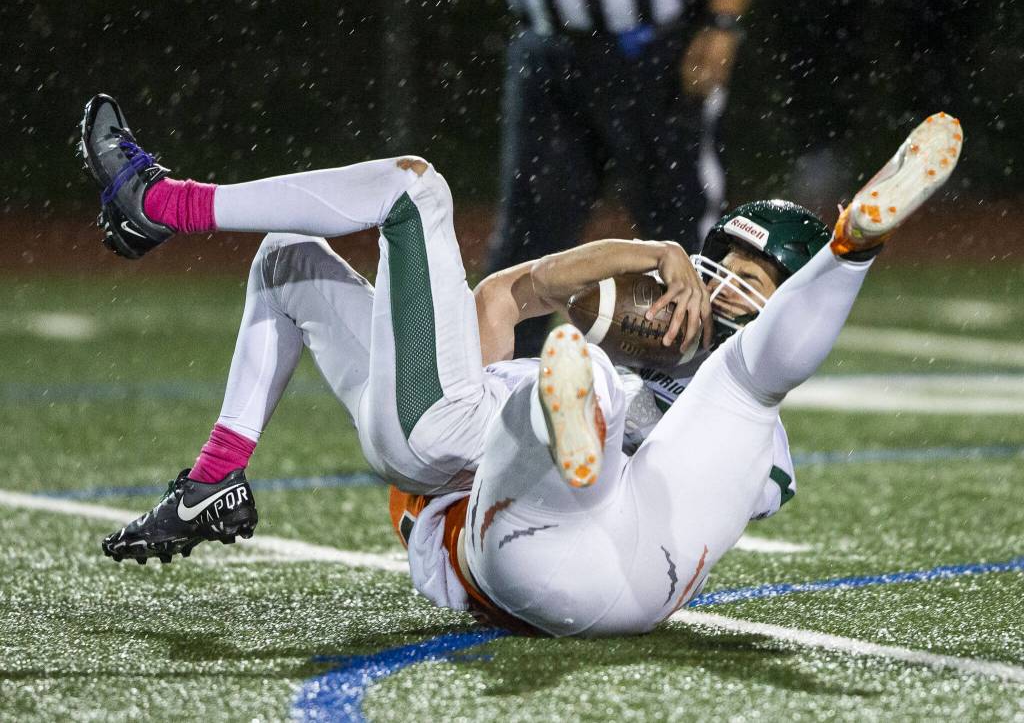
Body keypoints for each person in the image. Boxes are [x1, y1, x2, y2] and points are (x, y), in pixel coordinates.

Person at [79, 100, 962, 638]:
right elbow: (511, 293)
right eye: (717, 265)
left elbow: (745, 455)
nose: (720, 285)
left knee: (416, 190)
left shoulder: (741, 429)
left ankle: (156, 201)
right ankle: (212, 482)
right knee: (288, 257)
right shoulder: (632, 359)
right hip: (476, 489)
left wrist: (663, 376)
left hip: (580, 535)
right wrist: (649, 255)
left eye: (750, 281)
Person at [489, 0, 760, 358]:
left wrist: (721, 23)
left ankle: (707, 369)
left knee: (684, 235)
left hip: (654, 47)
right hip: (544, 44)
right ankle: (503, 376)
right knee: (529, 234)